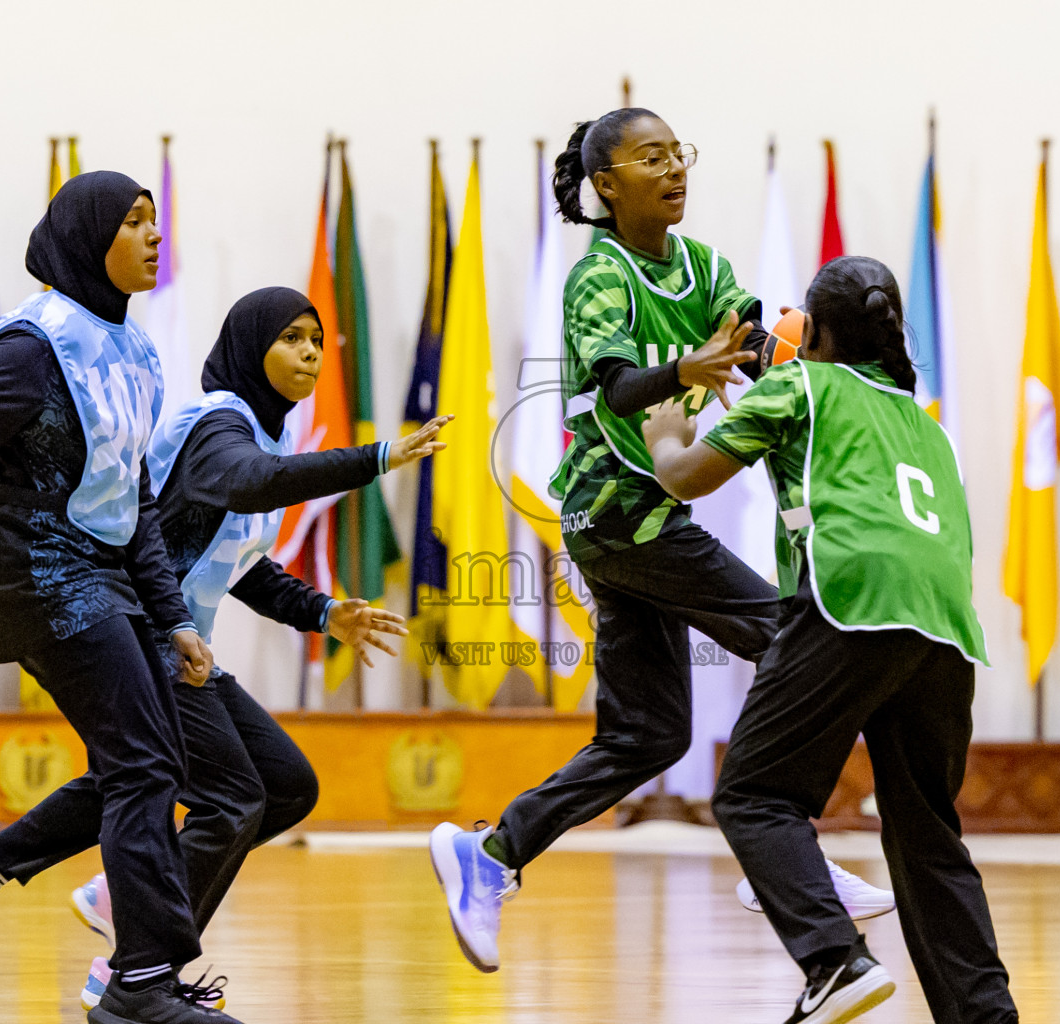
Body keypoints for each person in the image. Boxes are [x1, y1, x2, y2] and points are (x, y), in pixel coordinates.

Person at [429, 109, 891, 975]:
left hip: (642, 525)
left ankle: (489, 854)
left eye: (678, 154)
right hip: (615, 512)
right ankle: (779, 851)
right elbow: (620, 387)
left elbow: (759, 348)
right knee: (796, 645)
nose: (674, 168)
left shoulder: (703, 265)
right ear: (607, 185)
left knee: (645, 736)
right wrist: (688, 370)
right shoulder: (597, 277)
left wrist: (817, 366)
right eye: (651, 158)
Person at [0, 171, 235, 1024]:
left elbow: (136, 502)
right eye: (134, 222)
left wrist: (175, 617)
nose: (155, 236)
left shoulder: (138, 352)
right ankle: (140, 985)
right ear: (88, 238)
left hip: (106, 573)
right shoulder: (33, 345)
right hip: (34, 571)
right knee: (146, 762)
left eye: (157, 221)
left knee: (153, 762)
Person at [644, 256, 1018, 1024]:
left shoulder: (800, 386)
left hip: (855, 597)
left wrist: (666, 431)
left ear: (811, 332)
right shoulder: (928, 425)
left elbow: (685, 478)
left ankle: (833, 959)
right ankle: (986, 1016)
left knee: (752, 794)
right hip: (945, 622)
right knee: (926, 834)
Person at [65, 285, 450, 1009]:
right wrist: (376, 457)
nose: (309, 352)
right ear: (250, 347)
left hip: (180, 645)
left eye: (315, 339)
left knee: (286, 787)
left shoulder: (262, 433)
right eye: (290, 338)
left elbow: (238, 565)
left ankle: (124, 914)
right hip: (141, 638)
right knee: (234, 799)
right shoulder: (222, 427)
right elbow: (256, 487)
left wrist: (324, 611)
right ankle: (135, 967)